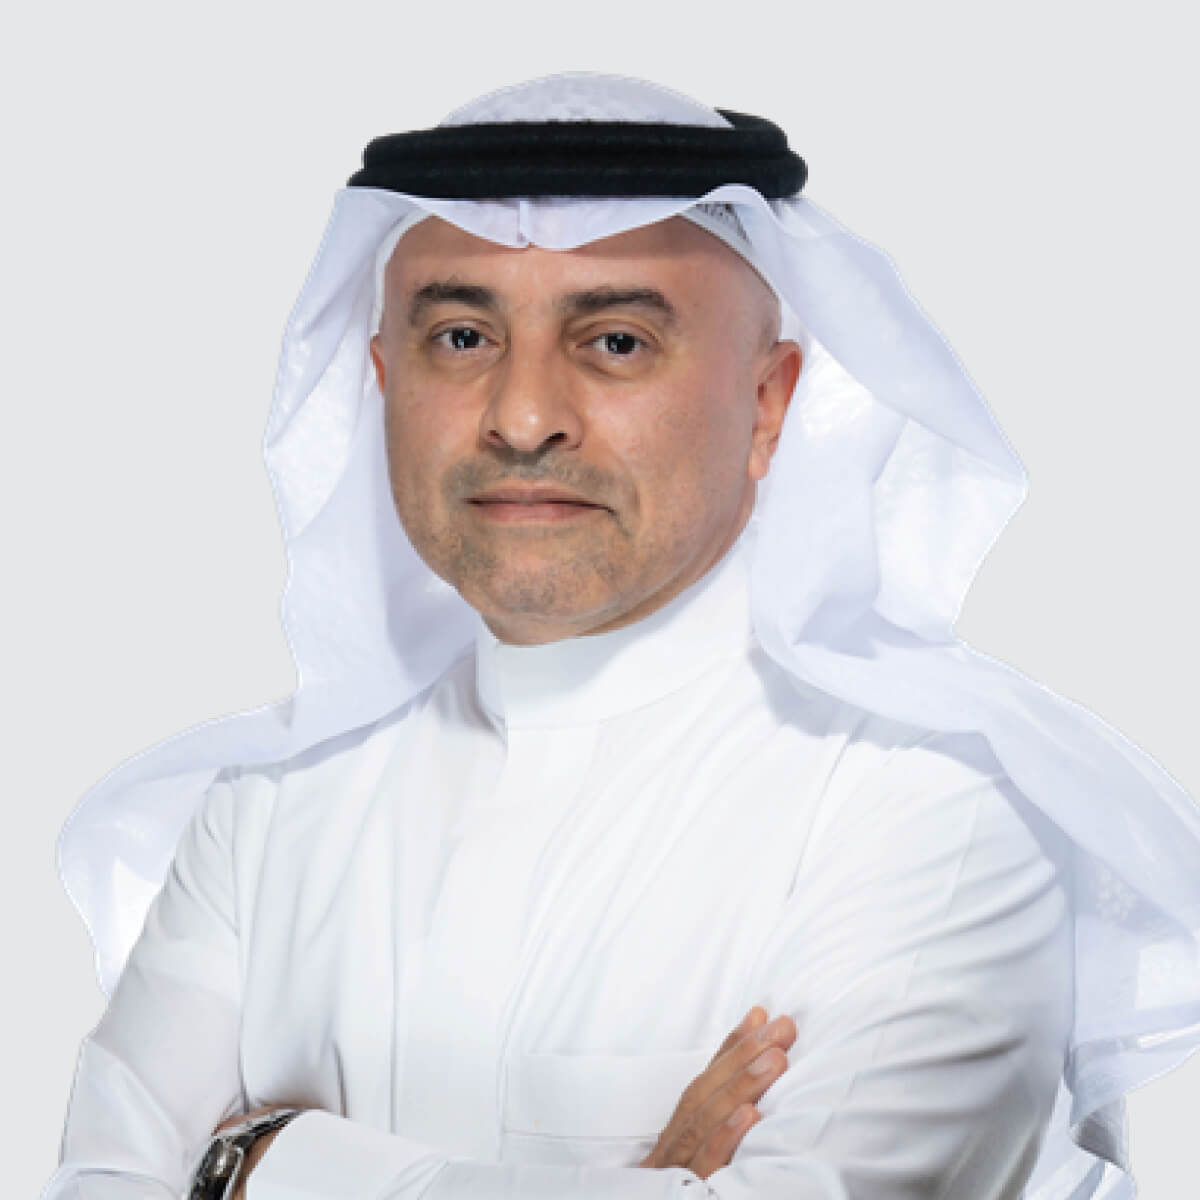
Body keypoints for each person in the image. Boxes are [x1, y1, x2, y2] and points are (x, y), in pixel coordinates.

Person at [46, 73, 1200, 1200]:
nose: (523, 417)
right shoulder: (263, 813)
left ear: (768, 405)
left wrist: (264, 1162)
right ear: (382, 381)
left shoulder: (929, 809)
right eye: (462, 337)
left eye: (614, 342)